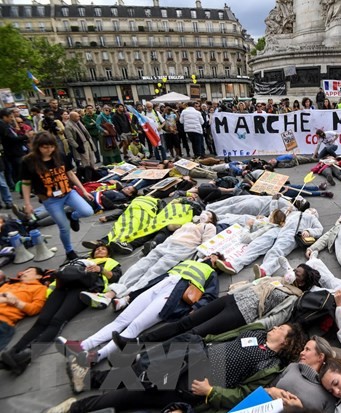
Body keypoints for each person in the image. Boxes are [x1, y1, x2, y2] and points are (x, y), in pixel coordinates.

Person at [52, 323, 307, 412]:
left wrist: (211, 392)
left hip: (199, 384)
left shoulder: (271, 366)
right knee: (134, 377)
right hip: (191, 357)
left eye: (281, 329)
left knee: (130, 395)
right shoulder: (258, 333)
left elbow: (245, 394)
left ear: (286, 342)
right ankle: (85, 381)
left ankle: (75, 405)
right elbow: (227, 337)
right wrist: (202, 342)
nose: (275, 328)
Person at [56, 259, 218, 366]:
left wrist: (195, 309)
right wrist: (131, 295)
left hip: (174, 295)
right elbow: (158, 277)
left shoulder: (212, 274)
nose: (211, 255)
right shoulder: (187, 261)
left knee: (135, 326)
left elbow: (211, 295)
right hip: (159, 286)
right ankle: (83, 345)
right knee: (120, 321)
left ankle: (97, 356)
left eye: (216, 256)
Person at [113, 270, 318, 347]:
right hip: (230, 299)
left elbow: (275, 318)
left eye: (297, 274)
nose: (292, 273)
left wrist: (253, 326)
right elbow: (255, 284)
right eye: (295, 269)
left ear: (301, 283)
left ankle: (144, 355)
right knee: (185, 322)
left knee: (194, 333)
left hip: (240, 315)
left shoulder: (292, 298)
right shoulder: (278, 279)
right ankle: (136, 341)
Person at [0, 245, 121, 375]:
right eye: (97, 249)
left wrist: (100, 269)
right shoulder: (80, 259)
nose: (99, 250)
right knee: (42, 320)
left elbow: (115, 276)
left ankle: (27, 354)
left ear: (108, 254)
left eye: (103, 249)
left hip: (81, 289)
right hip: (61, 288)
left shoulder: (110, 262)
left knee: (57, 320)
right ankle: (13, 352)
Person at [80, 211, 217, 310]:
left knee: (153, 272)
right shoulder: (189, 223)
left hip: (182, 249)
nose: (204, 214)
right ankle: (110, 294)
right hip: (166, 245)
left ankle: (128, 297)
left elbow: (207, 244)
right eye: (204, 212)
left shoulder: (209, 227)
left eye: (208, 214)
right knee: (139, 267)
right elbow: (172, 230)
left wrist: (198, 260)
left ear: (211, 219)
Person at [21, 132, 95, 261]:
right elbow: (26, 183)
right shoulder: (29, 161)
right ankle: (69, 250)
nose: (49, 150)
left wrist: (83, 190)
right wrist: (27, 203)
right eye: (45, 147)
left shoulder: (60, 156)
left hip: (68, 192)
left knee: (87, 211)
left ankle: (73, 216)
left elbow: (70, 174)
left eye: (51, 146)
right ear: (37, 146)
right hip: (50, 199)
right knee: (64, 227)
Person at [266, 336, 337, 411]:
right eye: (303, 349)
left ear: (320, 357)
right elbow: (268, 387)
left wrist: (298, 410)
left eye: (307, 349)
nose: (301, 353)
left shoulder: (329, 390)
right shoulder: (292, 367)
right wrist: (271, 391)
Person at [0, 267, 47, 351]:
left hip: (3, 321)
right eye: (23, 271)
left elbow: (35, 308)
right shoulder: (8, 284)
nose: (24, 273)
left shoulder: (39, 288)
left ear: (38, 276)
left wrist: (16, 302)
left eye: (29, 271)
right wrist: (5, 295)